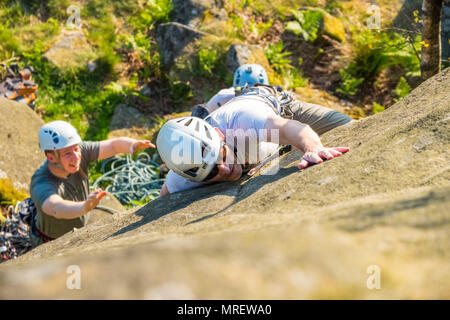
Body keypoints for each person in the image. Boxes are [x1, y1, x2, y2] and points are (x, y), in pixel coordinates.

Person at [157, 82, 353, 197]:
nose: (225, 169)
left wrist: (312, 149)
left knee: (351, 126)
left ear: (219, 134)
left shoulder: (242, 120)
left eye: (222, 154)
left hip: (281, 109)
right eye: (212, 172)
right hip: (265, 146)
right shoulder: (185, 176)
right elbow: (165, 194)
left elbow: (291, 128)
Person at [29, 120, 155, 247]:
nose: (76, 156)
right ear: (51, 157)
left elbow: (113, 145)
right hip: (51, 242)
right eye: (67, 153)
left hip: (79, 227)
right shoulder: (41, 182)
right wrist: (84, 207)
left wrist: (132, 145)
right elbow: (56, 208)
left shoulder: (79, 152)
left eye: (76, 149)